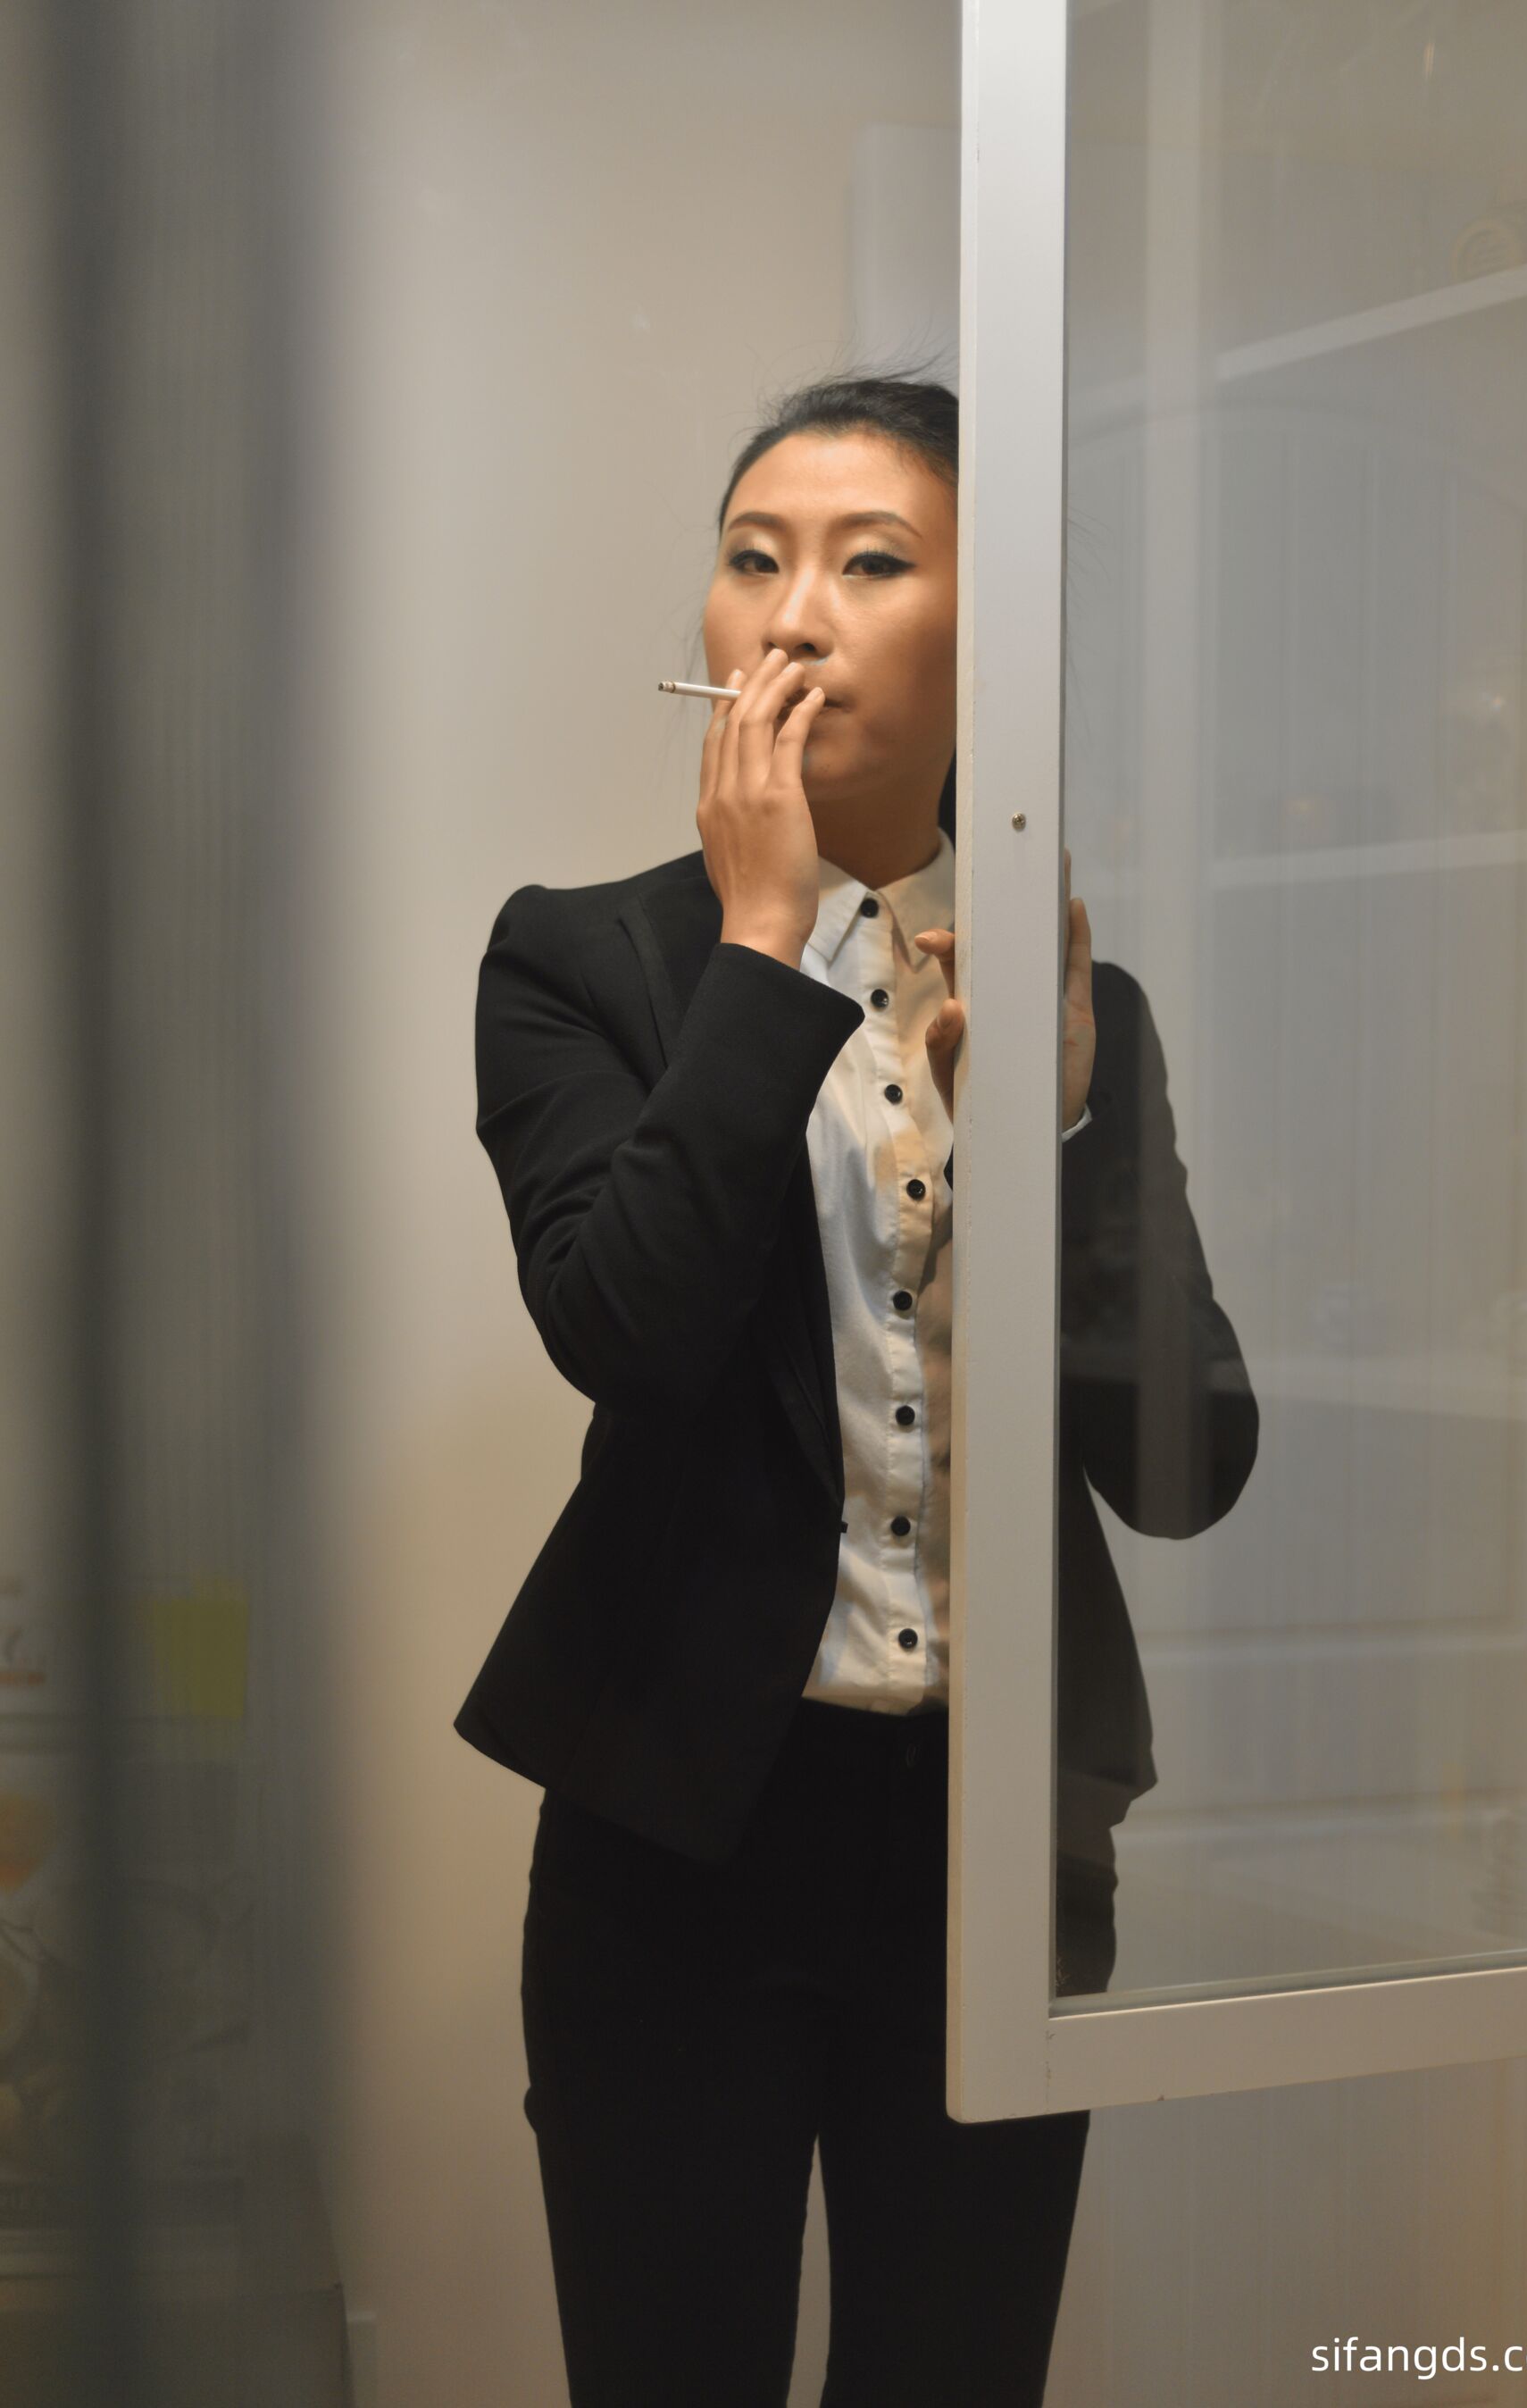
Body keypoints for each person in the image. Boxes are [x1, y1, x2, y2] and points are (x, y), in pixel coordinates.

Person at [455, 372, 1259, 2407]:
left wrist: (1057, 1134)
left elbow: (1190, 1464)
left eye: (871, 563)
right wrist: (765, 941)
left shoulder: (1083, 994)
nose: (794, 613)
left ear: (995, 642)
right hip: (678, 1833)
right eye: (754, 560)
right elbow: (622, 1327)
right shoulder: (578, 962)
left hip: (1007, 1841)